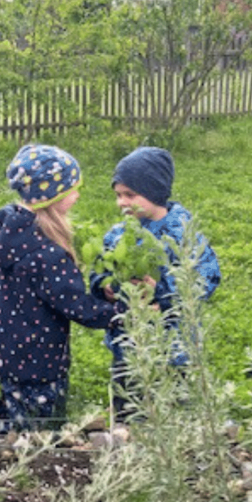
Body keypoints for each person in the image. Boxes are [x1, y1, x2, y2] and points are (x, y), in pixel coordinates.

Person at [0, 144, 127, 433]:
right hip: (40, 359)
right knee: (43, 429)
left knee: (14, 414)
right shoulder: (47, 255)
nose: (77, 194)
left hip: (7, 349)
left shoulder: (8, 228)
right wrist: (122, 312)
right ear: (51, 195)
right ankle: (32, 466)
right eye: (72, 188)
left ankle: (9, 451)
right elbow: (79, 307)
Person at [91, 146, 221, 419]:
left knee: (179, 403)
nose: (121, 202)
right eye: (118, 195)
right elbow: (101, 269)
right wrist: (105, 287)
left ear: (154, 192)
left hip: (174, 340)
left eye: (130, 195)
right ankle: (127, 437)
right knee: (128, 398)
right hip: (129, 337)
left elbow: (206, 276)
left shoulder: (181, 232)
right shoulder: (117, 235)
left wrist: (162, 295)